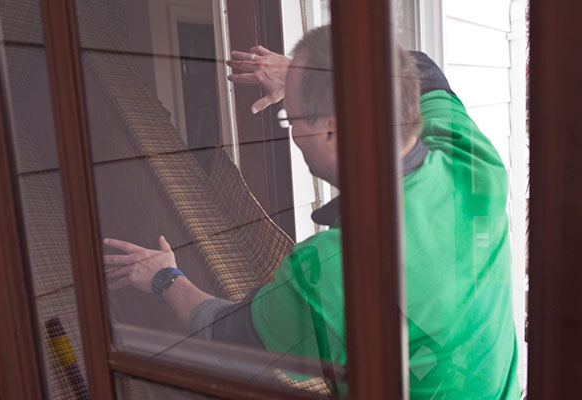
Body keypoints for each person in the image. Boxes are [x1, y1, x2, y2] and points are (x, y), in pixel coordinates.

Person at [104, 26, 519, 398]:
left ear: (332, 130)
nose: (293, 130)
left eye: (292, 117)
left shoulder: (335, 272)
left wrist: (164, 277)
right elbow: (425, 71)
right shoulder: (474, 163)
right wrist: (308, 75)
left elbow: (223, 338)